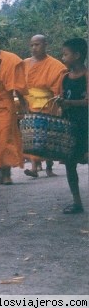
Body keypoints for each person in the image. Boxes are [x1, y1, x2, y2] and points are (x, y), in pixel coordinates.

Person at [0, 31, 27, 185]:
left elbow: (19, 87)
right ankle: (2, 174)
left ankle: (7, 174)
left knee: (4, 139)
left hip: (5, 105)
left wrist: (24, 106)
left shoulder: (11, 60)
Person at [22, 34, 67, 178]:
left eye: (37, 44)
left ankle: (48, 167)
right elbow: (20, 84)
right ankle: (34, 167)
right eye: (32, 45)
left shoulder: (56, 65)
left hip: (48, 103)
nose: (34, 48)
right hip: (29, 102)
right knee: (32, 135)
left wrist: (57, 102)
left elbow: (59, 88)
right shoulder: (25, 63)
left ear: (45, 45)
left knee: (47, 135)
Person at [56, 38, 87, 214]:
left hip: (86, 125)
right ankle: (77, 202)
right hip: (70, 125)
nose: (63, 58)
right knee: (70, 163)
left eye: (66, 54)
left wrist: (68, 103)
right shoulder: (64, 78)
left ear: (77, 55)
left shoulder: (87, 76)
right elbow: (61, 99)